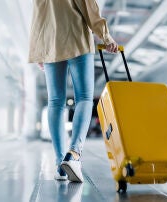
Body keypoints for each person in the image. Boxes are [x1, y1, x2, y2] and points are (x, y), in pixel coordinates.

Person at [28, 0, 118, 182]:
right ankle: (74, 154)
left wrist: (39, 50)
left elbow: (39, 15)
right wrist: (106, 37)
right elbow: (89, 8)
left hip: (50, 43)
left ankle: (61, 165)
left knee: (55, 102)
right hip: (77, 38)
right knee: (84, 97)